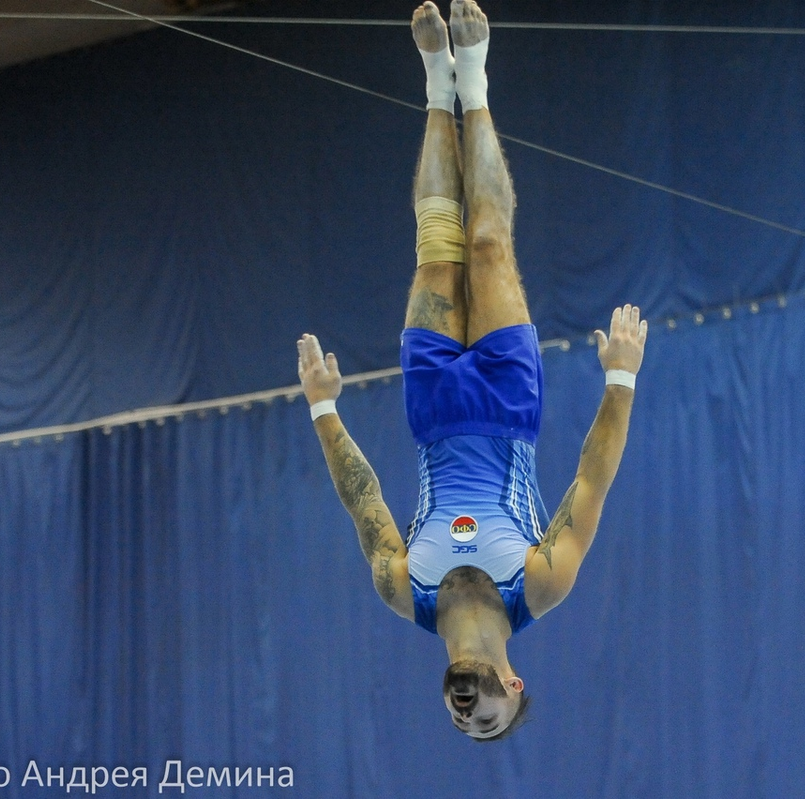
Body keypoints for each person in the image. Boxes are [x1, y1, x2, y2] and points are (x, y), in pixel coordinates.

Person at [296, 0, 647, 740]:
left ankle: (433, 81)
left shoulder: (405, 592)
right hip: (508, 405)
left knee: (435, 247)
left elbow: (363, 505)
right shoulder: (541, 584)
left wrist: (324, 409)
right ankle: (476, 82)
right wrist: (621, 378)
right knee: (486, 242)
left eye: (465, 726)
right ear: (514, 686)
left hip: (429, 412)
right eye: (493, 719)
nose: (472, 716)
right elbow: (593, 478)